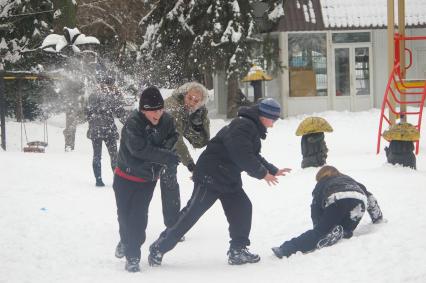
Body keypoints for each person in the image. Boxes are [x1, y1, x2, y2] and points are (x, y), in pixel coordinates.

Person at [148, 98, 291, 266]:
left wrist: (272, 170)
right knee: (192, 213)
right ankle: (158, 248)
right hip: (211, 175)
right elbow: (242, 155)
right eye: (273, 119)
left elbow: (252, 154)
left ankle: (238, 250)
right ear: (264, 115)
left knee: (242, 208)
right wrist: (262, 173)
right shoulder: (243, 126)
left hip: (228, 177)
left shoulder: (249, 126)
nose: (273, 124)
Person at [112, 86, 179, 272]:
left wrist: (167, 148)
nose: (158, 114)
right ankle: (125, 241)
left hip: (147, 180)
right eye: (153, 110)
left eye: (160, 109)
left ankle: (133, 255)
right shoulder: (133, 123)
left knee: (138, 217)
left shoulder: (167, 120)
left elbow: (174, 135)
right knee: (124, 216)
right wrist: (165, 156)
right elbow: (138, 150)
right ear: (143, 110)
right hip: (125, 177)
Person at [272, 165, 383, 259]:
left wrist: (318, 227)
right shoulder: (351, 180)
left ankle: (285, 249)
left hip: (337, 199)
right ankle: (344, 232)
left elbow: (315, 206)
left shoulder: (323, 182)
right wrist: (377, 218)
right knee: (346, 227)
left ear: (321, 176)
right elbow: (370, 198)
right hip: (360, 202)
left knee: (320, 232)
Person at [160, 82, 210, 231]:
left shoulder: (191, 110)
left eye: (196, 101)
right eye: (190, 98)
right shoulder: (173, 107)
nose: (192, 102)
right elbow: (176, 139)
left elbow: (200, 142)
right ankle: (132, 228)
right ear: (185, 94)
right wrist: (190, 164)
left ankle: (172, 225)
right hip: (151, 149)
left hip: (167, 152)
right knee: (145, 187)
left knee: (170, 186)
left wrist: (199, 124)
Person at [86, 69, 127, 187]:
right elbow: (120, 113)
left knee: (97, 155)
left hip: (95, 129)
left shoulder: (92, 95)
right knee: (114, 155)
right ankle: (117, 179)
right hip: (108, 129)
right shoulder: (112, 95)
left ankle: (98, 180)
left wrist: (93, 123)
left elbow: (87, 112)